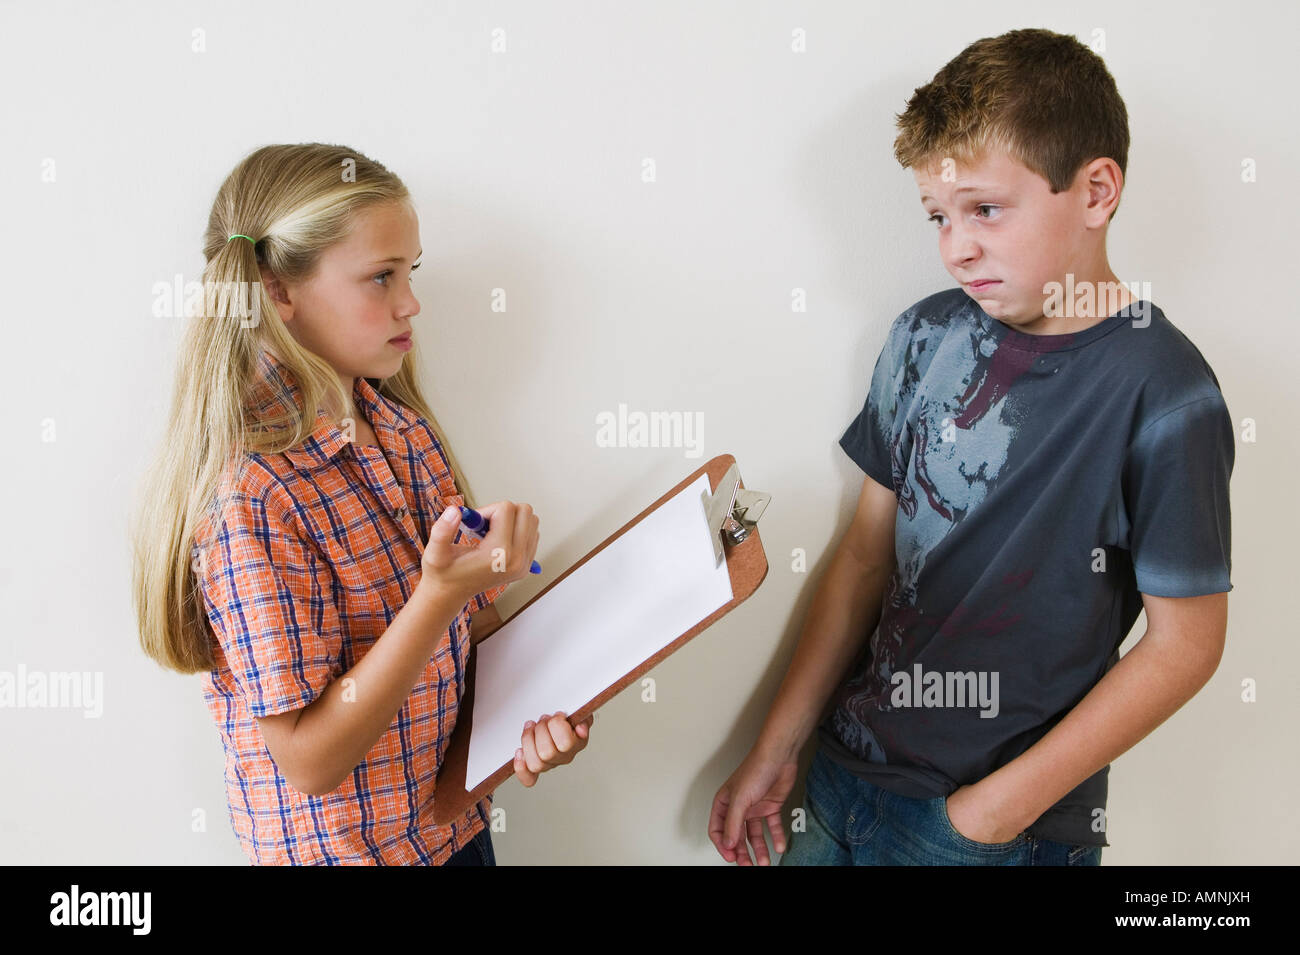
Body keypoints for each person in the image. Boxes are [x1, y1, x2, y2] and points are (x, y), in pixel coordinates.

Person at [709, 28, 1233, 866]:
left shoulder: (1164, 392)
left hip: (993, 829)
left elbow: (1186, 647)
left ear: (1096, 191)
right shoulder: (922, 336)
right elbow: (861, 561)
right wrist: (778, 745)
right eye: (938, 217)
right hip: (845, 780)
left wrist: (988, 813)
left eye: (986, 209)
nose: (957, 246)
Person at [131, 143, 591, 864]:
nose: (411, 302)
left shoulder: (400, 428)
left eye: (411, 273)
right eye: (382, 277)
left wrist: (525, 720)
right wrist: (437, 597)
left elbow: (477, 633)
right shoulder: (252, 496)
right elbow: (309, 762)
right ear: (277, 291)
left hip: (453, 832)